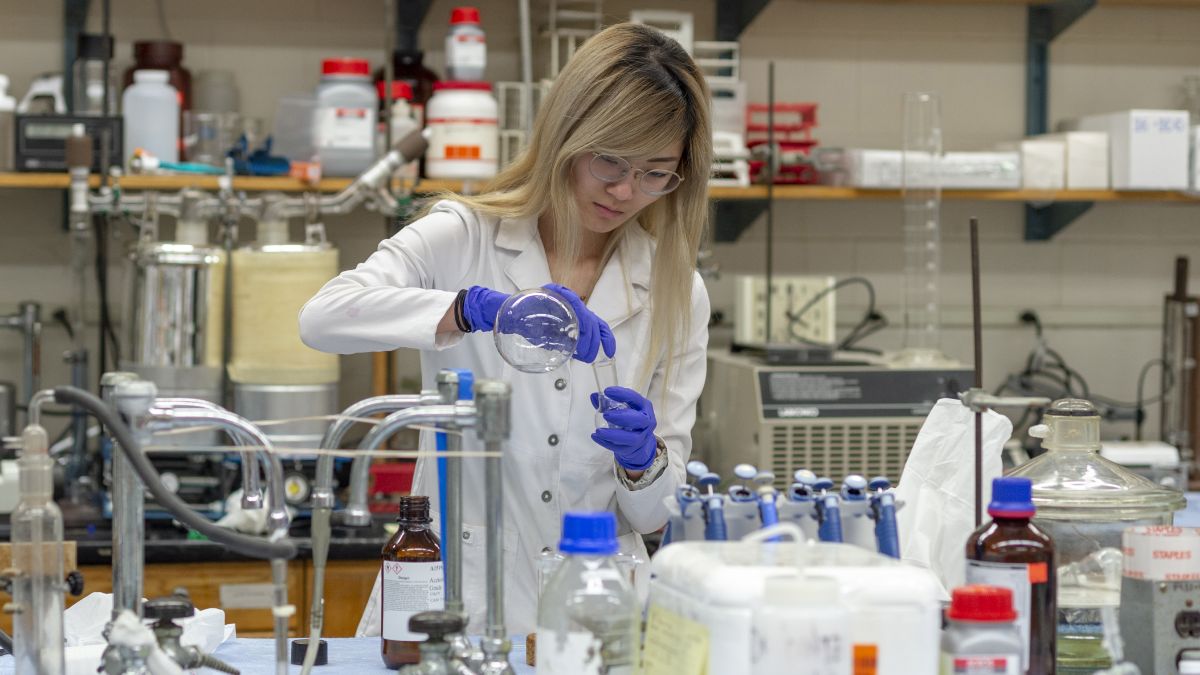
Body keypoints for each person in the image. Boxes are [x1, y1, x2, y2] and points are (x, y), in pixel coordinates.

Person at [298, 22, 712, 635]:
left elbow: (659, 513)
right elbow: (323, 317)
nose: (627, 190)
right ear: (567, 135)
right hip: (457, 589)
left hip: (598, 601)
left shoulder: (678, 289)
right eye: (610, 161)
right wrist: (469, 308)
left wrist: (644, 461)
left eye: (656, 172)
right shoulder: (464, 236)